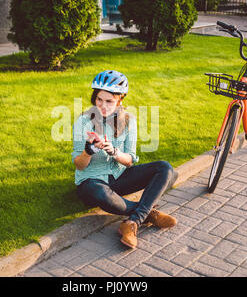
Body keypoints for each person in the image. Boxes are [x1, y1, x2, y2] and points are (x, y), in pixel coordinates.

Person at [71, 70, 178, 249]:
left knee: (165, 169)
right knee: (102, 194)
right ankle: (147, 213)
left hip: (120, 177)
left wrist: (113, 151)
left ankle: (133, 221)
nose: (102, 106)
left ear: (120, 100)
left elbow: (130, 160)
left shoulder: (129, 121)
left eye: (109, 101)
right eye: (99, 99)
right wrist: (88, 151)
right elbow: (79, 165)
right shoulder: (83, 122)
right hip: (91, 183)